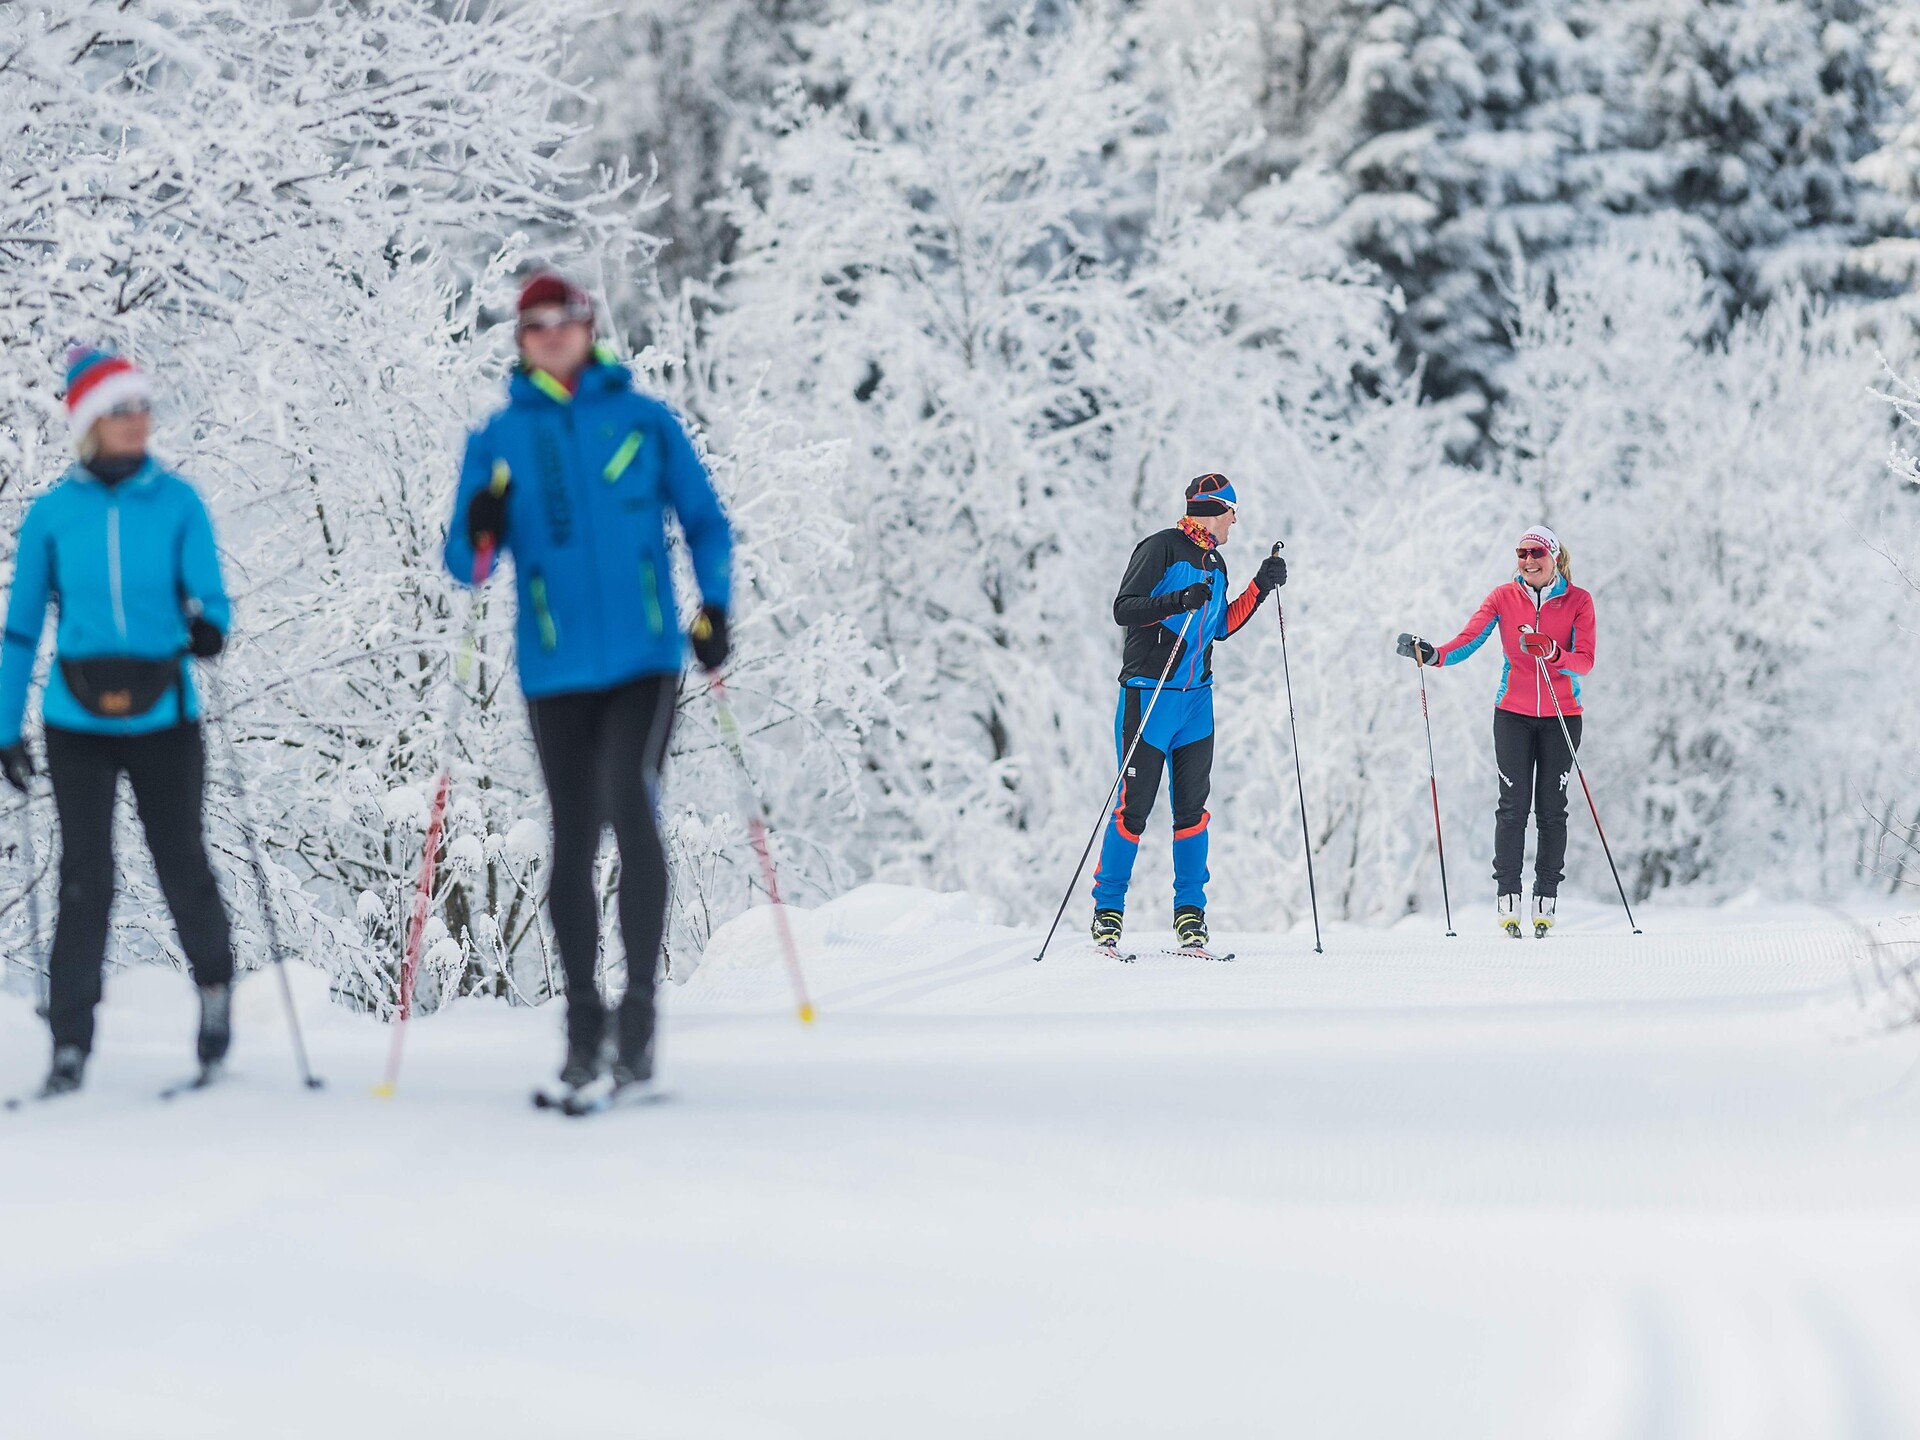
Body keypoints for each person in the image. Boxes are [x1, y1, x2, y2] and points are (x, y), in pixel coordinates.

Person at [444, 273, 732, 1099]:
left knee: (630, 803)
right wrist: (479, 528)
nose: (550, 337)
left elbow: (704, 520)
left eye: (562, 322)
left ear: (587, 327)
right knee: (572, 833)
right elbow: (465, 565)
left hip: (644, 660)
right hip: (554, 665)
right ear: (520, 341)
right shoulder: (500, 439)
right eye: (532, 327)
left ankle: (637, 1021)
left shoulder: (642, 420)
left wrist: (713, 609)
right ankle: (582, 1027)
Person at [0, 347, 235, 1095]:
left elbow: (212, 596)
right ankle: (70, 1042)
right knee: (85, 876)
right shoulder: (52, 516)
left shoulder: (178, 502)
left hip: (166, 712)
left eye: (143, 408)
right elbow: (20, 630)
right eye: (124, 410)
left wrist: (208, 628)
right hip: (76, 720)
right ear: (91, 423)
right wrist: (6, 727)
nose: (141, 421)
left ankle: (215, 997)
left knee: (181, 862)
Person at [1088, 474, 1288, 953]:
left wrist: (1261, 585)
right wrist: (1176, 600)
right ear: (1218, 510)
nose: (1236, 521)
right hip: (1150, 695)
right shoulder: (1161, 548)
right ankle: (1107, 916)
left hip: (1196, 702)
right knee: (1133, 811)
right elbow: (1124, 609)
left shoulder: (1215, 562)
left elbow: (1219, 626)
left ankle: (1190, 919)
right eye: (1233, 512)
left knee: (1192, 813)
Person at [1397, 525, 1595, 937]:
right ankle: (1508, 897)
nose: (1527, 560)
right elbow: (1469, 640)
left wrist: (1555, 652)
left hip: (1562, 714)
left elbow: (1585, 661)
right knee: (1512, 806)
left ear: (1553, 558)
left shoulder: (1578, 601)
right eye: (1521, 553)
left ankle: (1546, 898)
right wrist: (1433, 656)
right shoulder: (1503, 598)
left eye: (1536, 553)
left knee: (1552, 810)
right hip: (1513, 715)